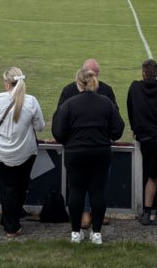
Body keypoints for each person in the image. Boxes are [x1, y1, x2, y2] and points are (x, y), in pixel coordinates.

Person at [53, 67, 125, 245]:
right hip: (100, 152)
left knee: (76, 191)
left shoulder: (69, 104)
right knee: (97, 192)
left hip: (75, 153)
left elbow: (58, 132)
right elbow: (118, 130)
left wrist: (71, 139)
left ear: (78, 83)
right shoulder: (106, 103)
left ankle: (76, 232)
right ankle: (97, 233)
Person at [0, 67, 43, 238]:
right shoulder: (31, 102)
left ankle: (10, 223)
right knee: (19, 187)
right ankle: (11, 221)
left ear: (7, 84)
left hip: (1, 153)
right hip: (25, 152)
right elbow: (39, 126)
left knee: (7, 188)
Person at [126, 59, 157, 226]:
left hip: (144, 138)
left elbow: (130, 110)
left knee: (151, 176)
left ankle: (146, 213)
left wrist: (137, 129)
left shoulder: (135, 88)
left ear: (143, 73)